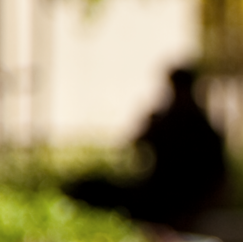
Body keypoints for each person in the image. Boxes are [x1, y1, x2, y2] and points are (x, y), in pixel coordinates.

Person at [68, 66, 229, 232]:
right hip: (160, 196)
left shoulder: (197, 127)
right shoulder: (172, 121)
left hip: (173, 201)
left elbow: (217, 178)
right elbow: (138, 144)